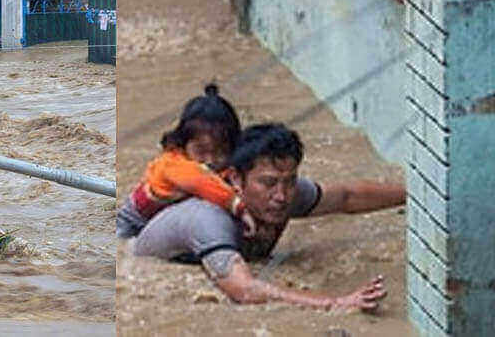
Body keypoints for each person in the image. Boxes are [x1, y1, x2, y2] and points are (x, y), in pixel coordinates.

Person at [131, 123, 405, 311]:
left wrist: (416, 196)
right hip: (140, 272)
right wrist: (335, 303)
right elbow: (244, 291)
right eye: (269, 183)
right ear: (236, 179)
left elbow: (348, 197)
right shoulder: (208, 218)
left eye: (290, 182)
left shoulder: (282, 194)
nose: (282, 196)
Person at [116, 84, 256, 239]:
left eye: (220, 152)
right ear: (182, 143)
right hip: (133, 224)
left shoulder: (226, 171)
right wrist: (238, 206)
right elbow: (200, 181)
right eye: (201, 151)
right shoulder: (172, 164)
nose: (210, 160)